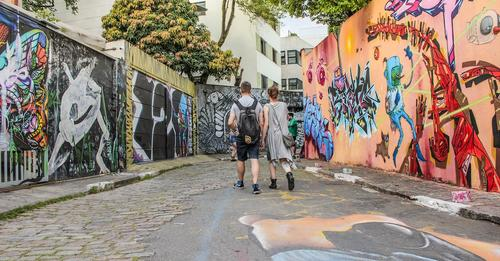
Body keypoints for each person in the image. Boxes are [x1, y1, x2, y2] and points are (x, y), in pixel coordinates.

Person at [228, 81, 264, 194]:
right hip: (254, 136)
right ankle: (255, 185)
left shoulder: (236, 104)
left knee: (240, 159)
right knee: (254, 159)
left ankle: (240, 182)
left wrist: (235, 130)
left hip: (241, 136)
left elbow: (230, 122)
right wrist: (262, 137)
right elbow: (261, 123)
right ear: (250, 90)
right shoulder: (257, 104)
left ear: (241, 90)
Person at [261, 85, 296, 191]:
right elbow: (285, 120)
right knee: (283, 159)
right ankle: (289, 174)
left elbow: (266, 124)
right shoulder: (284, 105)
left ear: (268, 94)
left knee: (272, 159)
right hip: (283, 134)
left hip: (272, 135)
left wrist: (263, 138)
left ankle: (273, 183)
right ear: (278, 94)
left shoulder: (266, 107)